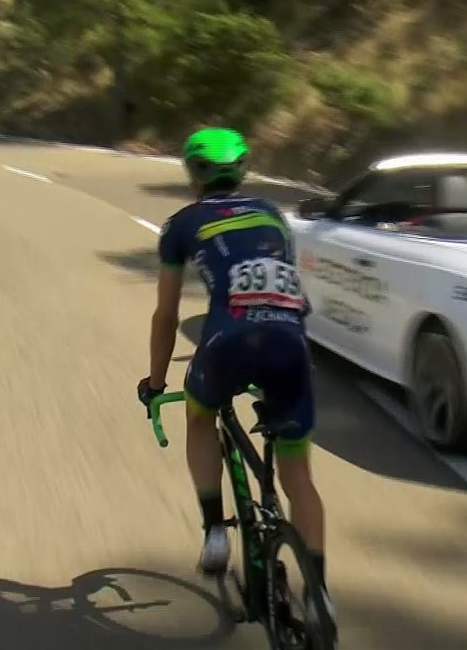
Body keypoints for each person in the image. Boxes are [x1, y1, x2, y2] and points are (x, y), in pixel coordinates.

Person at [135, 127, 333, 622]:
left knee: (200, 416)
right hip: (289, 346)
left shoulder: (181, 225)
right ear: (242, 169)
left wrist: (156, 383)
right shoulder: (272, 215)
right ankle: (319, 594)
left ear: (192, 173)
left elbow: (166, 315)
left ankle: (215, 533)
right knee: (298, 476)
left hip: (228, 344)